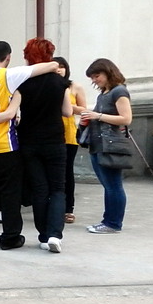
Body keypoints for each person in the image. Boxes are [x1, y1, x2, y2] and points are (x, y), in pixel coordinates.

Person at [0, 40, 59, 250]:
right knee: (9, 192)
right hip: (3, 145)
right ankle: (10, 236)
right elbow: (49, 66)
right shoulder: (8, 75)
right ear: (8, 58)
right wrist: (55, 66)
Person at [15, 38, 73, 254]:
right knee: (58, 189)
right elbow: (67, 111)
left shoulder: (22, 81)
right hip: (55, 140)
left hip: (29, 140)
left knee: (39, 189)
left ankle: (43, 235)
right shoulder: (60, 82)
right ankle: (55, 234)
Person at [80, 58, 132, 234]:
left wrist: (98, 116)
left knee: (113, 185)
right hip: (99, 145)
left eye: (97, 76)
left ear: (108, 72)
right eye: (92, 78)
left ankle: (113, 223)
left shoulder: (119, 91)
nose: (94, 80)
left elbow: (126, 118)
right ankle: (108, 221)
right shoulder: (104, 93)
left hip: (111, 145)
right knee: (109, 185)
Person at [54, 56, 87, 225]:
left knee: (67, 172)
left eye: (62, 66)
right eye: (56, 66)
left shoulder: (74, 87)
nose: (59, 69)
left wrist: (66, 105)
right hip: (51, 134)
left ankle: (69, 209)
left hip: (68, 135)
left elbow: (83, 110)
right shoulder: (48, 85)